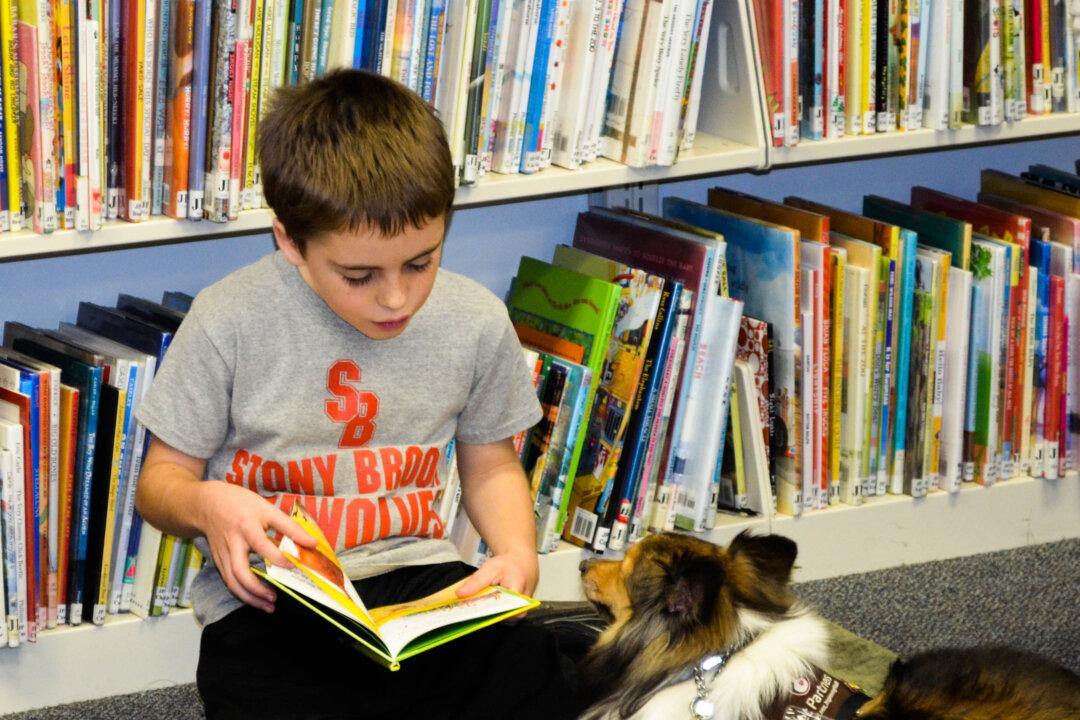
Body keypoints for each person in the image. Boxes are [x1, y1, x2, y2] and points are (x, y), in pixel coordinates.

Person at [134, 69, 578, 719]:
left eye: (421, 262)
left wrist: (516, 553)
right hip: (274, 597)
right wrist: (206, 504)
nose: (396, 297)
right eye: (360, 275)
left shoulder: (476, 321)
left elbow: (491, 465)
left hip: (424, 582)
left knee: (537, 675)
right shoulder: (228, 319)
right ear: (290, 241)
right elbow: (159, 482)